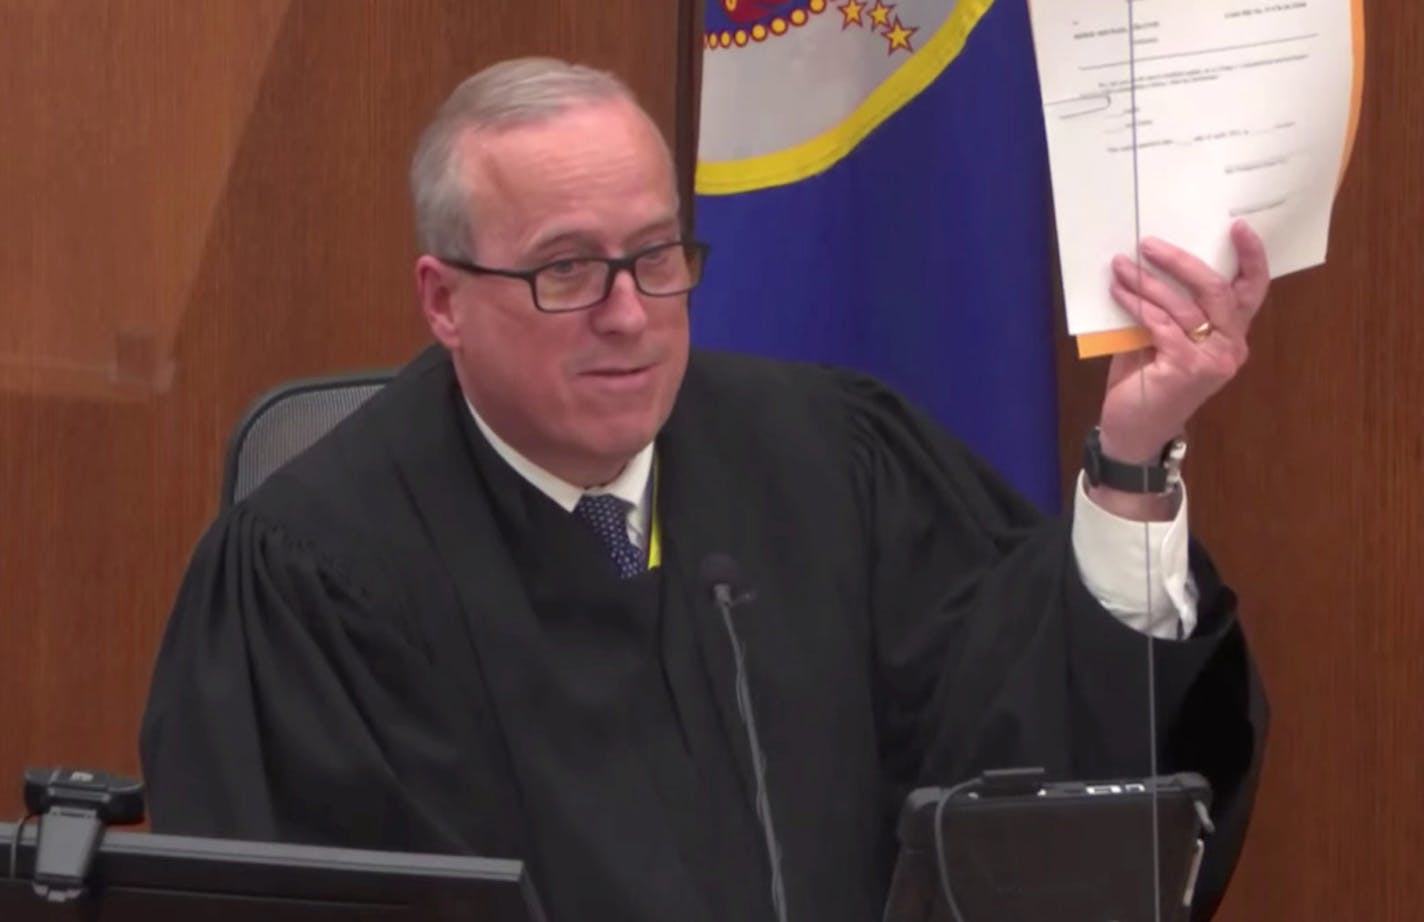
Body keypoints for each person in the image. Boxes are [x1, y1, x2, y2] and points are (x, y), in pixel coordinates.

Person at [140, 57, 1268, 922]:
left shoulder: (834, 460)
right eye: (566, 270)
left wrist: (1128, 459)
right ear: (442, 301)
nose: (629, 314)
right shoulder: (311, 579)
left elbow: (1031, 766)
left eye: (656, 255)